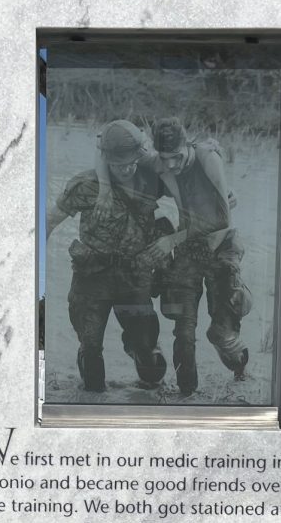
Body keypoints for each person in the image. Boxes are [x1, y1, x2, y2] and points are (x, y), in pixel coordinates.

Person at [46, 120, 172, 393]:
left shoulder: (151, 181)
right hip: (92, 278)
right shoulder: (86, 185)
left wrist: (223, 195)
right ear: (106, 159)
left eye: (131, 163)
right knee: (92, 365)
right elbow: (49, 221)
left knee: (152, 364)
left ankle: (142, 356)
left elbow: (196, 196)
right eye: (118, 164)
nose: (126, 169)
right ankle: (89, 369)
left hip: (134, 278)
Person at [139, 117, 251, 397]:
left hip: (221, 245)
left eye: (177, 157)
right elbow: (110, 146)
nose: (172, 165)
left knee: (221, 334)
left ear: (186, 145)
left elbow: (221, 220)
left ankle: (240, 368)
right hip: (190, 249)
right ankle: (186, 393)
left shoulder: (207, 157)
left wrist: (172, 239)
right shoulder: (162, 164)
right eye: (166, 159)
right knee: (183, 329)